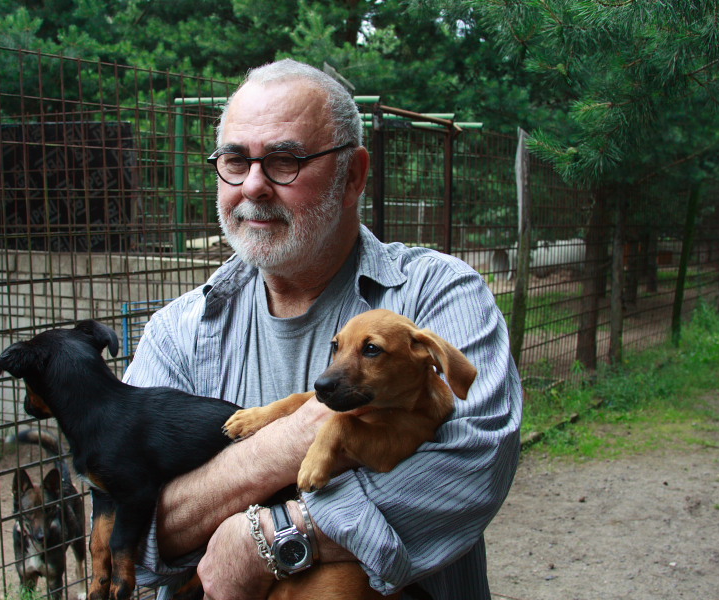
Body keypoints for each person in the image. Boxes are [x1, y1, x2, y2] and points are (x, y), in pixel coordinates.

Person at [124, 58, 522, 600]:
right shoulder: (179, 333)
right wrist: (284, 443)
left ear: (353, 176)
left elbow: (471, 469)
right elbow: (128, 526)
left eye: (285, 160)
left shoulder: (438, 293)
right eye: (236, 161)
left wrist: (272, 536)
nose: (255, 186)